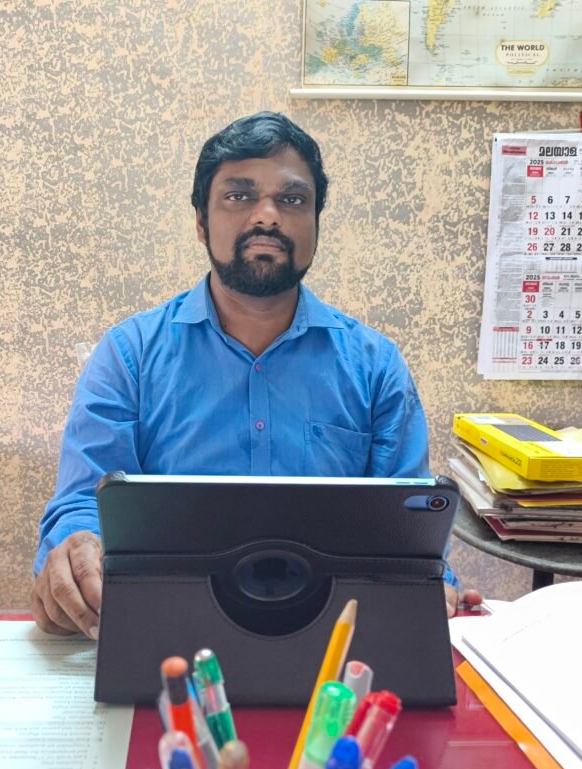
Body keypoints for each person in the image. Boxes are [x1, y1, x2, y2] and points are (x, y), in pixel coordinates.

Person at [31, 112, 480, 638]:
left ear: (316, 223)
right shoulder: (129, 356)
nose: (267, 216)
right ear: (201, 222)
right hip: (168, 633)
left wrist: (432, 585)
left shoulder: (375, 367)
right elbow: (86, 501)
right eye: (239, 196)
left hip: (333, 642)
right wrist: (77, 551)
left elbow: (408, 525)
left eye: (292, 199)